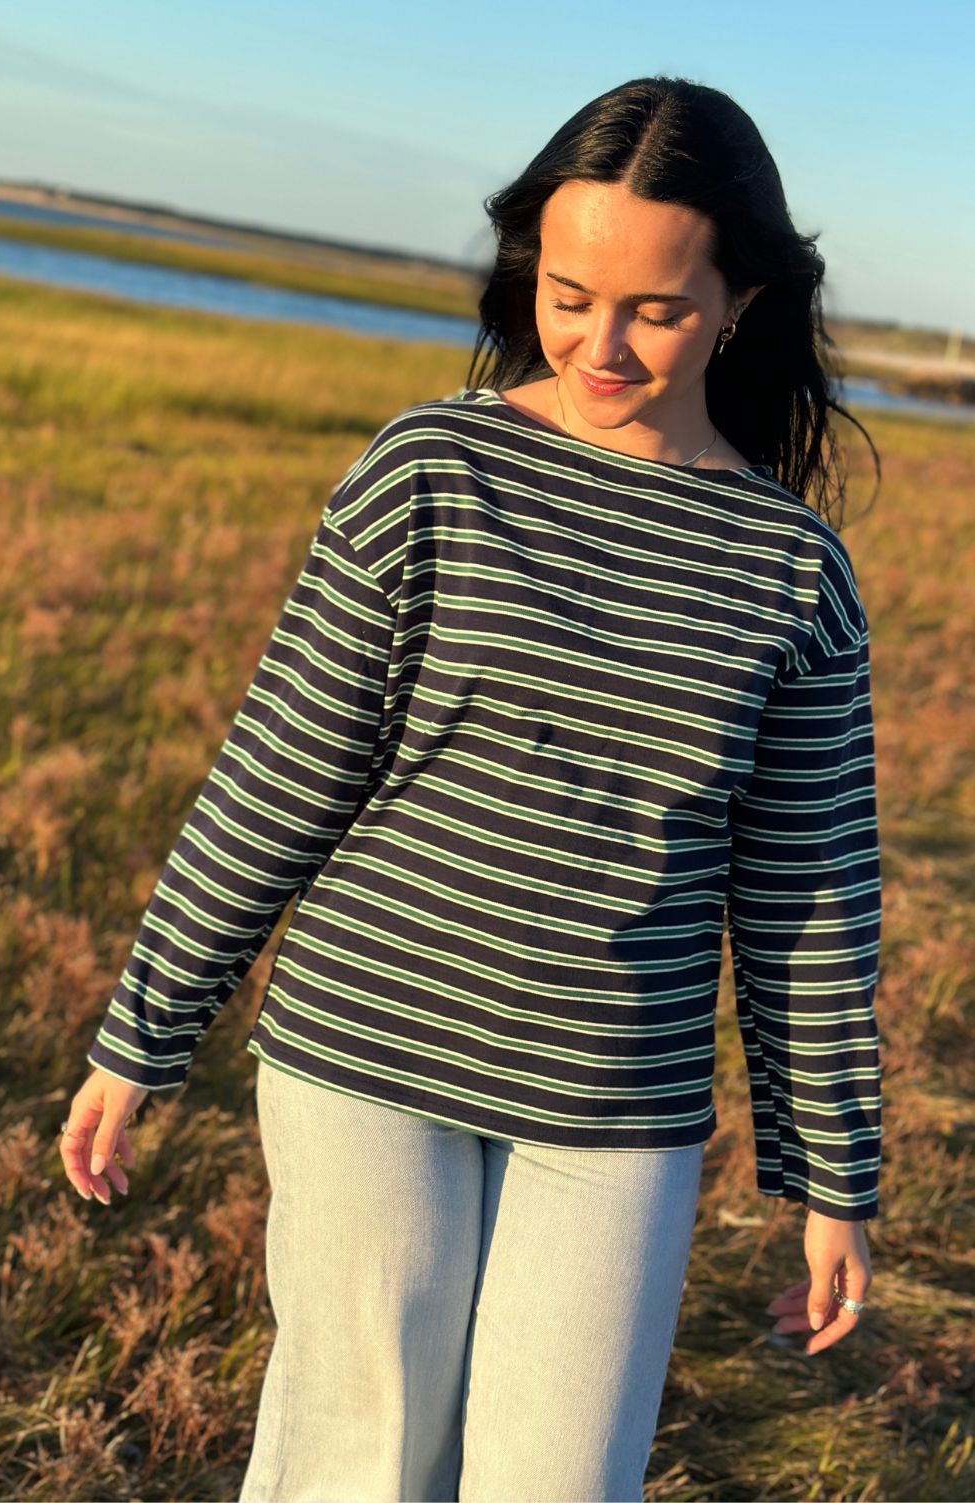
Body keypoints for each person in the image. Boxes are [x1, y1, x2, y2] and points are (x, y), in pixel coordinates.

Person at [59, 75, 883, 1503]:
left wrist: (832, 1174)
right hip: (363, 1051)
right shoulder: (428, 469)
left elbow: (807, 905)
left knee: (558, 1483)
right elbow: (279, 776)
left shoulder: (791, 571)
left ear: (740, 298)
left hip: (613, 1101)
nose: (600, 344)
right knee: (362, 1461)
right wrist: (144, 1033)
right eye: (569, 293)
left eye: (656, 308)